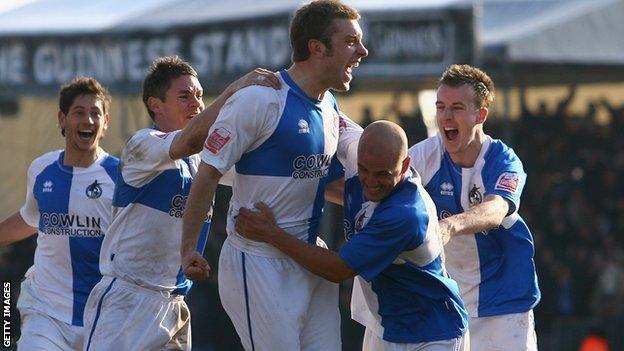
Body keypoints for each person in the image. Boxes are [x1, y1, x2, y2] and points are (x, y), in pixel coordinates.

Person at [181, 1, 368, 349]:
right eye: (350, 41)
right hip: (259, 263)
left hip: (311, 259)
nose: (362, 50)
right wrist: (190, 248)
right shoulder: (259, 99)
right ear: (317, 47)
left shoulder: (329, 106)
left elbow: (324, 183)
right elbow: (206, 173)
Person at [82, 56, 280, 351]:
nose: (196, 104)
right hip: (127, 300)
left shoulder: (204, 161)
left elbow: (262, 175)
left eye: (200, 96)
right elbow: (189, 140)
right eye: (185, 96)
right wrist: (233, 91)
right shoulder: (142, 144)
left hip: (175, 303)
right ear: (155, 104)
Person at [235, 121, 469, 351]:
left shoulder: (405, 215)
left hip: (435, 333)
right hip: (387, 327)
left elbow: (339, 269)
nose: (371, 182)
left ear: (406, 165)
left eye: (382, 174)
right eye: (364, 170)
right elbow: (327, 112)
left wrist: (271, 233)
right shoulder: (356, 150)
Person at [408, 64, 540, 350]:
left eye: (456, 108)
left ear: (480, 115)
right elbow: (378, 186)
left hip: (504, 303)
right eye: (440, 107)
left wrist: (451, 225)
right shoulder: (424, 156)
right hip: (449, 303)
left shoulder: (503, 160)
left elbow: (495, 211)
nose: (445, 116)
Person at [0, 77, 117, 350]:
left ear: (106, 122)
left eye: (95, 114)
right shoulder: (41, 169)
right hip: (46, 313)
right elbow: (31, 218)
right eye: (79, 113)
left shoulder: (121, 176)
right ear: (62, 119)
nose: (88, 120)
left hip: (104, 316)